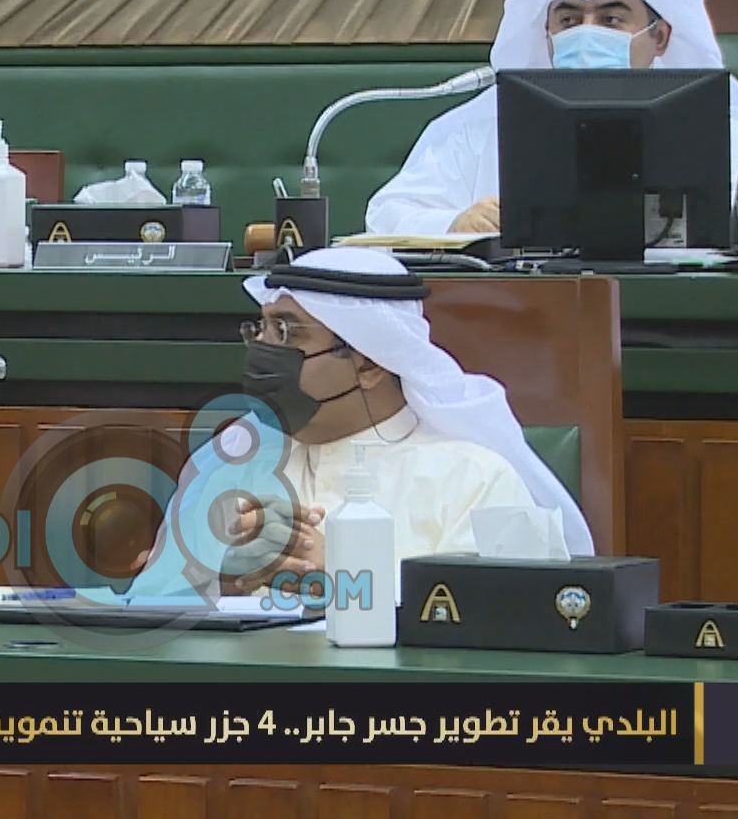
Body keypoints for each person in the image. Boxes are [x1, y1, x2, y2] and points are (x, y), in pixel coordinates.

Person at [127, 247, 590, 598]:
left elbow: (502, 625)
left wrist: (343, 578)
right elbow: (151, 613)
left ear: (368, 363)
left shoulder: (473, 479)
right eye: (261, 329)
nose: (263, 351)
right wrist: (221, 577)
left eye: (286, 332)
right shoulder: (233, 457)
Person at [366, 0, 738, 236]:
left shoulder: (724, 128)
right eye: (569, 20)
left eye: (610, 19)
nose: (586, 33)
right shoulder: (483, 123)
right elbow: (388, 213)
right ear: (548, 35)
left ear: (659, 37)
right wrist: (454, 222)